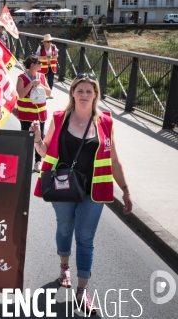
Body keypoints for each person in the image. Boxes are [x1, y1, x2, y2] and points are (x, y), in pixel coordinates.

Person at [31, 74, 133, 316]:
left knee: (86, 239)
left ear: (95, 94)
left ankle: (82, 290)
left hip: (93, 192)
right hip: (64, 187)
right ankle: (64, 267)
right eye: (80, 91)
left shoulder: (105, 122)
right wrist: (36, 138)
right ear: (73, 93)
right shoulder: (59, 118)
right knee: (65, 228)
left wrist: (126, 190)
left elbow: (114, 159)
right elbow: (44, 151)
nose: (85, 95)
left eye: (89, 91)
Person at [16, 55, 51, 172]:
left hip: (39, 114)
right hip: (26, 114)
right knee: (26, 138)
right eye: (39, 63)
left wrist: (40, 84)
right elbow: (20, 94)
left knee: (39, 137)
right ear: (32, 65)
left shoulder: (41, 76)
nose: (41, 65)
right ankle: (25, 160)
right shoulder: (21, 78)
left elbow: (49, 91)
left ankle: (38, 162)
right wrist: (31, 84)